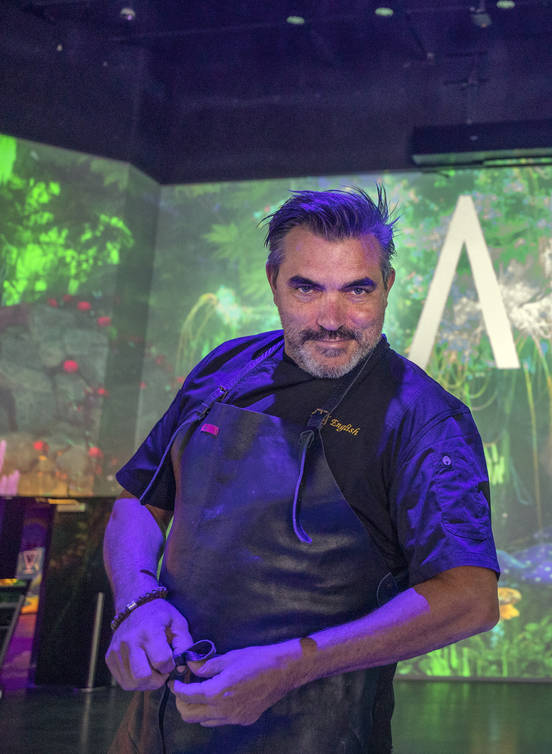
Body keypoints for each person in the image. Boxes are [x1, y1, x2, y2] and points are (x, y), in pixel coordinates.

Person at [103, 187, 500, 753]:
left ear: (387, 285)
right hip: (155, 730)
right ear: (274, 283)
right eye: (307, 288)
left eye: (357, 289)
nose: (332, 319)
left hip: (316, 736)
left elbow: (470, 598)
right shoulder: (225, 367)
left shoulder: (425, 421)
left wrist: (288, 667)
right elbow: (138, 503)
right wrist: (137, 603)